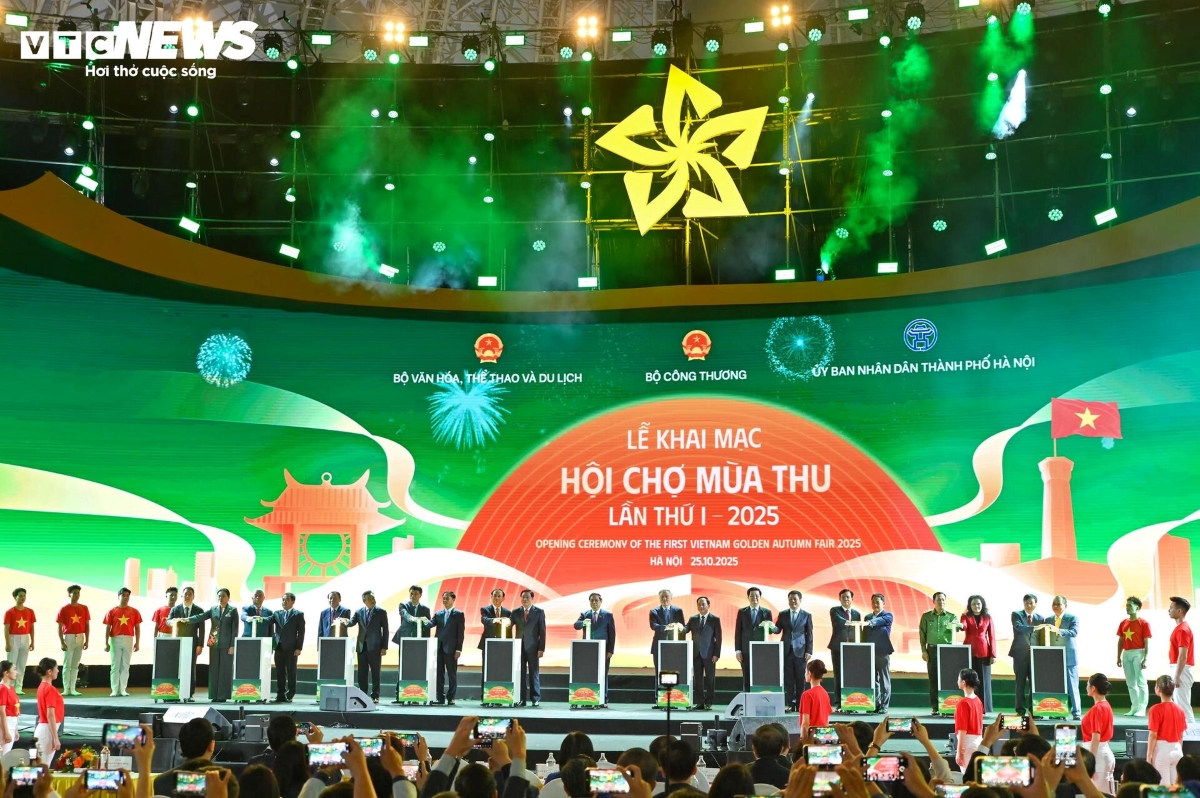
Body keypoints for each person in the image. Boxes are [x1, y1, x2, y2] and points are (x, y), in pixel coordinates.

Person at [919, 592, 960, 714]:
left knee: (949, 678)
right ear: (934, 601)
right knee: (933, 679)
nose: (941, 602)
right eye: (938, 600)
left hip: (948, 651)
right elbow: (922, 634)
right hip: (932, 650)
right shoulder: (926, 616)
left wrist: (956, 625)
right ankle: (935, 707)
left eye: (943, 600)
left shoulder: (952, 617)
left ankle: (948, 706)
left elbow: (958, 628)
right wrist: (924, 650)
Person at [345, 590, 388, 703]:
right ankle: (362, 694)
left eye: (373, 598)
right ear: (364, 601)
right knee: (362, 672)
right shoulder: (359, 612)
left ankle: (375, 695)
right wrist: (345, 621)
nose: (372, 600)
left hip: (376, 647)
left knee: (375, 672)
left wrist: (384, 647)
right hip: (361, 646)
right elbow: (351, 623)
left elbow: (386, 631)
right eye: (369, 598)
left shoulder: (381, 612)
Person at [1042, 595, 1081, 719]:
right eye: (1053, 604)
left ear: (1065, 605)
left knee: (1072, 686)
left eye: (1058, 604)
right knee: (1057, 687)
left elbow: (1074, 632)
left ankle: (1076, 712)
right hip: (1054, 658)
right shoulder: (1048, 619)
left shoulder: (1072, 618)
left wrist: (1059, 630)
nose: (1055, 606)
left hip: (1069, 657)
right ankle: (1058, 713)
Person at [573, 593, 616, 705]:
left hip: (603, 650)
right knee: (588, 674)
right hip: (588, 650)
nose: (594, 602)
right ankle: (589, 698)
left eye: (596, 600)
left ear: (601, 601)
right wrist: (584, 622)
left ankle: (603, 699)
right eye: (592, 600)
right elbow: (576, 625)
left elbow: (612, 634)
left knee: (603, 674)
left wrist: (610, 650)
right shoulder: (585, 614)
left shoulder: (608, 615)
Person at [775, 590, 813, 713]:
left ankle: (800, 704)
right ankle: (789, 704)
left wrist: (809, 651)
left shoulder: (806, 615)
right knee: (788, 679)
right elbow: (777, 629)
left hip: (801, 652)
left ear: (800, 600)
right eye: (790, 599)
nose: (792, 601)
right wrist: (770, 627)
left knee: (800, 679)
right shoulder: (783, 614)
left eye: (795, 599)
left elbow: (809, 635)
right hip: (786, 651)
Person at [735, 587, 777, 693]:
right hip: (745, 649)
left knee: (760, 674)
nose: (754, 598)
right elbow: (738, 632)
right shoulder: (742, 612)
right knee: (746, 675)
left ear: (760, 597)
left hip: (761, 649)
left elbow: (770, 631)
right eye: (752, 595)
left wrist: (772, 627)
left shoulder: (767, 612)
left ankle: (759, 697)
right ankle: (747, 696)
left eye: (757, 596)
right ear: (748, 597)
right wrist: (738, 650)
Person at [168, 586, 207, 698]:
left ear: (193, 596)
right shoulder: (175, 609)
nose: (187, 596)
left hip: (192, 643)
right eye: (185, 594)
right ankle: (176, 691)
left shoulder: (199, 610)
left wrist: (200, 645)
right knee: (177, 667)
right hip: (178, 643)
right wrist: (173, 622)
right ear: (181, 595)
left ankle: (189, 693)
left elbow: (202, 630)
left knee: (190, 668)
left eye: (190, 594)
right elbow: (168, 621)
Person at [1148, 675, 1187, 785]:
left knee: (1163, 788)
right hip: (1177, 750)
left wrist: (1149, 755)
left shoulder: (1155, 709)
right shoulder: (1180, 709)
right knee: (1176, 787)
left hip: (1162, 751)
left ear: (1158, 689)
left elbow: (1153, 735)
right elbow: (1181, 735)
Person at [103, 587, 142, 697]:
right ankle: (114, 690)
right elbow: (108, 628)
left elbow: (137, 628)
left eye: (127, 595)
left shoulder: (134, 611)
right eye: (123, 595)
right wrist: (106, 642)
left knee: (125, 665)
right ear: (118, 596)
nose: (125, 597)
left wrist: (137, 642)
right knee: (115, 665)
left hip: (129, 638)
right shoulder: (112, 611)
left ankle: (123, 689)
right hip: (115, 638)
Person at [1010, 593, 1044, 717]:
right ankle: (1020, 710)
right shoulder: (1016, 615)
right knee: (1020, 683)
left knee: (1034, 684)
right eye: (1026, 603)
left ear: (1036, 604)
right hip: (1020, 654)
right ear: (1023, 603)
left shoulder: (1040, 618)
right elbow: (1019, 627)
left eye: (1031, 603)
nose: (1029, 605)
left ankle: (1033, 710)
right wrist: (1034, 628)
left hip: (1035, 656)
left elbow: (1041, 637)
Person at [961, 595, 997, 712]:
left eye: (978, 604)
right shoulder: (965, 616)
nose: (976, 606)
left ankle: (983, 708)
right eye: (973, 604)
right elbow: (964, 625)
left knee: (983, 681)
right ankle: (970, 707)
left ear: (982, 605)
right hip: (968, 651)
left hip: (984, 652)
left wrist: (993, 654)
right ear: (970, 606)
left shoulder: (987, 617)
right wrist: (960, 626)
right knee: (969, 681)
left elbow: (992, 636)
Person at [1116, 596, 1151, 717]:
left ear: (1137, 608)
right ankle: (1134, 707)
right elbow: (1121, 641)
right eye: (1127, 605)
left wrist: (1146, 658)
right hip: (1126, 653)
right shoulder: (1123, 623)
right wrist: (1118, 656)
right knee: (1130, 683)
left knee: (1141, 682)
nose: (1127, 608)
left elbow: (1146, 642)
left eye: (1130, 605)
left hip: (1138, 653)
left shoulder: (1144, 623)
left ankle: (1142, 708)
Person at [429, 590, 465, 706]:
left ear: (453, 600)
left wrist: (458, 649)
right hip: (439, 648)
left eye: (447, 598)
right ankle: (440, 697)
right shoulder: (438, 614)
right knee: (439, 674)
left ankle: (451, 697)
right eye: (443, 598)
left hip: (452, 649)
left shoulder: (459, 614)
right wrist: (420, 621)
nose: (445, 600)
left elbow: (460, 633)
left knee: (451, 674)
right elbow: (430, 624)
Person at [686, 596, 721, 710]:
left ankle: (709, 702)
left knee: (710, 678)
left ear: (708, 605)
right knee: (698, 679)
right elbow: (686, 629)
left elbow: (719, 638)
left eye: (703, 604)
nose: (701, 606)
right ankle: (700, 702)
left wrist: (716, 654)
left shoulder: (715, 619)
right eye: (699, 604)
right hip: (696, 653)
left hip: (710, 654)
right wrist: (678, 627)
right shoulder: (693, 619)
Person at [511, 590, 545, 707]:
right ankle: (521, 699)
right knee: (520, 674)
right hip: (518, 647)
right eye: (523, 597)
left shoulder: (539, 612)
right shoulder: (515, 612)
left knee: (533, 673)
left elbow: (542, 631)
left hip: (533, 647)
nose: (525, 599)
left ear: (532, 599)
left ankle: (535, 698)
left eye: (527, 597)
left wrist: (541, 648)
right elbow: (508, 627)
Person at [1082, 672, 1115, 793]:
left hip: (1098, 757)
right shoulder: (1106, 705)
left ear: (1093, 688)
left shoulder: (1098, 708)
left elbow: (1096, 737)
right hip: (1104, 753)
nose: (1086, 687)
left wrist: (1091, 762)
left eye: (1087, 685)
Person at [828, 588, 861, 709]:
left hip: (852, 648)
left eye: (848, 597)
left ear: (852, 599)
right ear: (839, 599)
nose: (846, 599)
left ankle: (850, 701)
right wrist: (850, 622)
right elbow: (839, 621)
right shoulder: (834, 610)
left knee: (851, 675)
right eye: (843, 597)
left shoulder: (857, 613)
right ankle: (839, 703)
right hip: (837, 647)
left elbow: (859, 630)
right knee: (838, 675)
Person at [55, 584, 89, 697]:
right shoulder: (64, 609)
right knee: (67, 664)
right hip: (68, 637)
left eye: (78, 593)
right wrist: (62, 642)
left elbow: (87, 625)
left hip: (80, 636)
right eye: (74, 593)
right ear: (69, 594)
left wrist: (87, 640)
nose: (77, 595)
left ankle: (73, 688)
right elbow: (59, 627)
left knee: (75, 665)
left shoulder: (84, 608)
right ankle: (66, 688)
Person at [863, 593, 894, 713]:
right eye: (873, 602)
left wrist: (870, 622)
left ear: (883, 603)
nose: (875, 604)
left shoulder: (888, 615)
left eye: (878, 602)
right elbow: (864, 635)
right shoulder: (867, 617)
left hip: (882, 652)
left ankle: (884, 706)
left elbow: (880, 621)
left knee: (884, 680)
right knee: (872, 680)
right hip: (869, 652)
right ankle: (875, 704)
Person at [271, 592, 304, 703]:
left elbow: (301, 633)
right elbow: (268, 620)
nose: (284, 602)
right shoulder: (277, 613)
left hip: (292, 648)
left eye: (287, 600)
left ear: (292, 601)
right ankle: (280, 694)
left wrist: (298, 648)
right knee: (279, 672)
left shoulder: (298, 614)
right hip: (279, 647)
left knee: (291, 671)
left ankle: (290, 694)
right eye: (283, 600)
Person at [207, 588, 238, 702]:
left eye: (223, 596)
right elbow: (201, 616)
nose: (221, 598)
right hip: (214, 643)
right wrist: (188, 620)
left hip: (227, 645)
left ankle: (223, 695)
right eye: (219, 596)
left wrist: (232, 645)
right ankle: (214, 695)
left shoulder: (233, 610)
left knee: (225, 669)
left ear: (228, 598)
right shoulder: (213, 609)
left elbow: (235, 629)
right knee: (214, 669)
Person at [649, 590, 686, 681]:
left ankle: (672, 689)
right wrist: (666, 627)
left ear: (671, 597)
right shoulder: (654, 611)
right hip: (659, 645)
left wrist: (681, 646)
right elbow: (653, 626)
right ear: (659, 598)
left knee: (673, 671)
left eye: (667, 596)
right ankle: (658, 690)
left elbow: (682, 628)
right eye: (662, 597)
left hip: (674, 646)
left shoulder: (678, 611)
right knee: (659, 671)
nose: (664, 599)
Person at [4, 588, 35, 696]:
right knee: (12, 663)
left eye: (24, 595)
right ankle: (10, 686)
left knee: (22, 664)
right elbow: (6, 628)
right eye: (20, 595)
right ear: (15, 597)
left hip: (25, 637)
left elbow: (31, 627)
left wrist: (32, 641)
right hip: (13, 637)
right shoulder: (9, 612)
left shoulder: (30, 611)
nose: (23, 598)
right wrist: (7, 643)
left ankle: (18, 687)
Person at [1169, 596, 1195, 723]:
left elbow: (1183, 655)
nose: (1169, 610)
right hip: (1180, 669)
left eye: (1171, 608)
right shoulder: (1180, 628)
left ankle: (1193, 734)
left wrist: (1177, 676)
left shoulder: (1183, 630)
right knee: (1180, 705)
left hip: (1182, 670)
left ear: (1179, 611)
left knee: (1183, 706)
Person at [33, 657, 62, 763]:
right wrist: (55, 738)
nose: (58, 671)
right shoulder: (50, 689)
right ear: (49, 671)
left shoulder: (42, 686)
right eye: (56, 668)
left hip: (44, 729)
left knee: (41, 766)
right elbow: (50, 715)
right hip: (47, 731)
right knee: (44, 767)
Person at [954, 668, 984, 772]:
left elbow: (962, 730)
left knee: (967, 777)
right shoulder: (978, 700)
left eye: (958, 679)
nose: (957, 681)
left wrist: (959, 752)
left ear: (963, 682)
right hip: (978, 741)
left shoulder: (963, 703)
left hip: (968, 743)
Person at [798, 659, 831, 740]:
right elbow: (826, 720)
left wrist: (803, 741)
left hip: (811, 738)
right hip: (823, 737)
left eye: (806, 672)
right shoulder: (825, 693)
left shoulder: (807, 695)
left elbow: (805, 724)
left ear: (810, 674)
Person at [0, 659, 18, 754]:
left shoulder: (11, 688)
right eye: (14, 669)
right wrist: (6, 732)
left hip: (12, 723)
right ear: (6, 673)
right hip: (5, 724)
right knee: (4, 755)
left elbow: (15, 709)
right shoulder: (2, 689)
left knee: (6, 754)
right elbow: (2, 712)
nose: (16, 672)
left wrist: (15, 729)